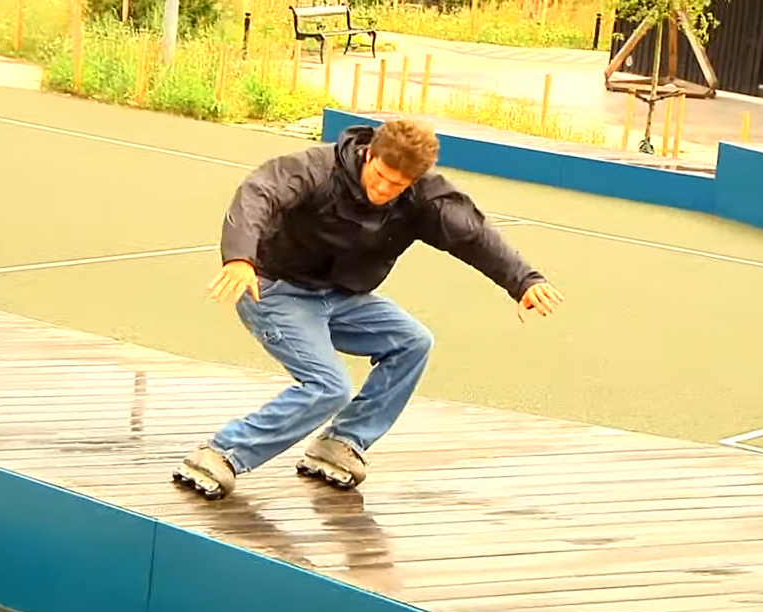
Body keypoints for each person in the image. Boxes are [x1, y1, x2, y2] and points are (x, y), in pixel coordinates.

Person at [172, 119, 564, 500]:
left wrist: (523, 281)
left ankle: (341, 442)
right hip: (274, 290)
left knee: (412, 342)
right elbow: (260, 192)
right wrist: (240, 257)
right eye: (379, 176)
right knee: (329, 387)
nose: (382, 189)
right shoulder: (318, 170)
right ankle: (222, 454)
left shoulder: (424, 198)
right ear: (369, 154)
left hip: (340, 295)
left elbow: (473, 235)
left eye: (397, 185)